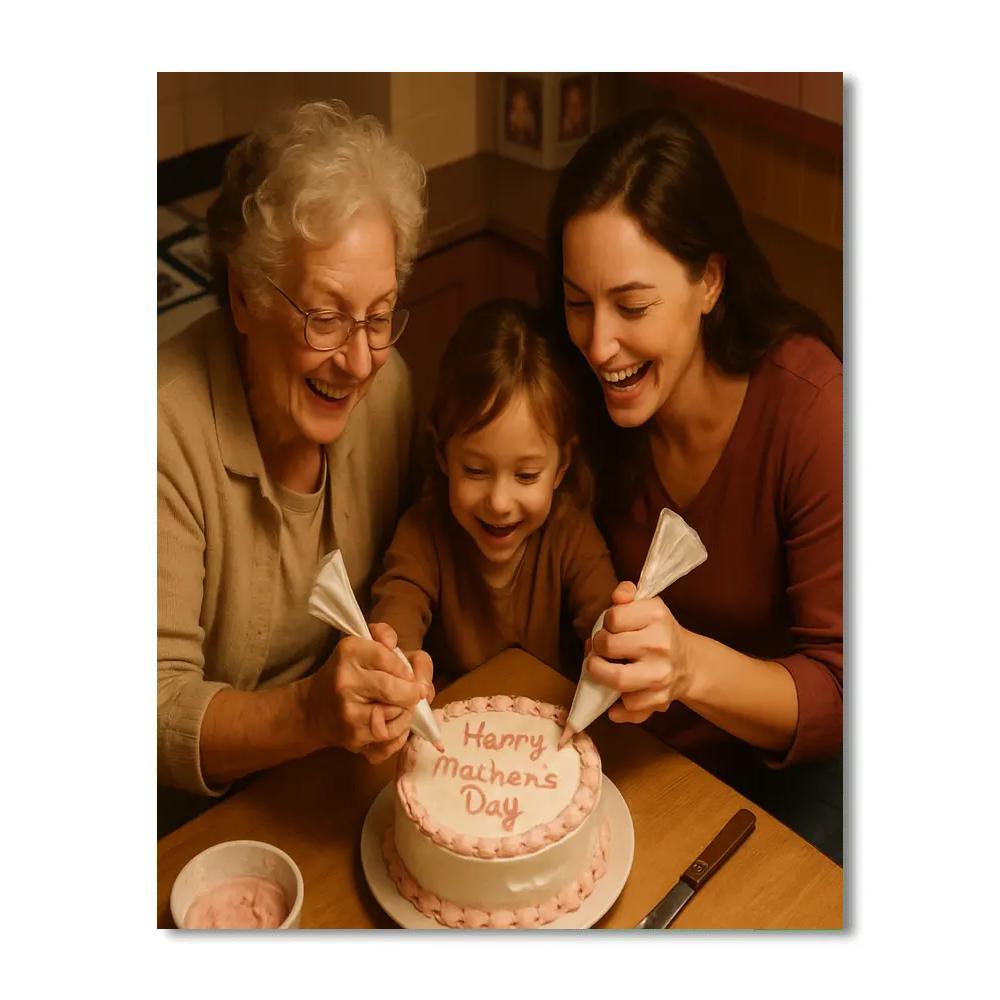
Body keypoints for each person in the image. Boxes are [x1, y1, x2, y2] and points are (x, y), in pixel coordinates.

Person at [544, 108, 844, 863]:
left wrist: (687, 667)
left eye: (633, 306)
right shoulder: (577, 386)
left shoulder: (814, 411)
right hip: (639, 751)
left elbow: (847, 694)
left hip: (788, 778)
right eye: (578, 303)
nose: (598, 343)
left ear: (709, 280)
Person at [158, 99, 433, 834]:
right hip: (197, 823)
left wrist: (401, 650)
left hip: (349, 785)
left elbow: (419, 551)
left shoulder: (392, 387)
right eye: (325, 316)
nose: (359, 359)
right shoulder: (157, 431)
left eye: (379, 315)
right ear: (245, 297)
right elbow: (149, 712)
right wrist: (311, 712)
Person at [369, 299, 618, 685]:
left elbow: (604, 618)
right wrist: (396, 665)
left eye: (526, 475)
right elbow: (396, 617)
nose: (499, 503)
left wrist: (612, 646)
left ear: (562, 466)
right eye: (476, 471)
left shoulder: (571, 533)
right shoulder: (423, 534)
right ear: (441, 454)